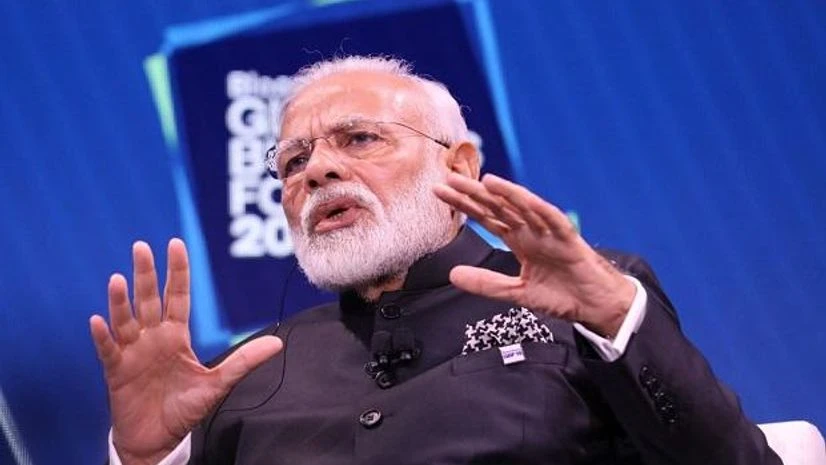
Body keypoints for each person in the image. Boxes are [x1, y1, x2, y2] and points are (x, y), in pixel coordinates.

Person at [89, 55, 781, 465]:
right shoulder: (249, 368)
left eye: (358, 139)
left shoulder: (582, 300)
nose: (318, 171)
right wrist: (147, 457)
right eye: (293, 160)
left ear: (462, 166)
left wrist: (614, 315)